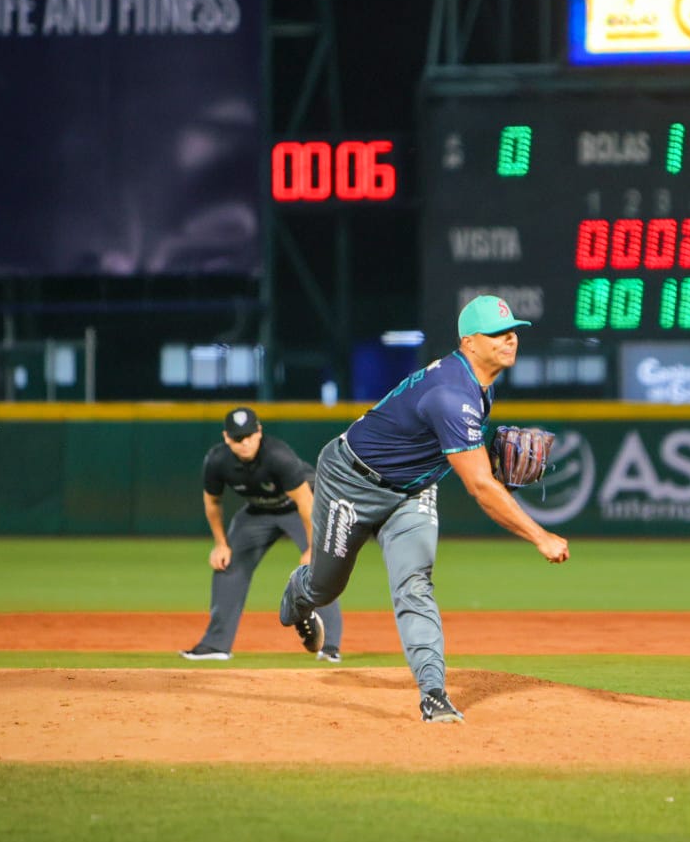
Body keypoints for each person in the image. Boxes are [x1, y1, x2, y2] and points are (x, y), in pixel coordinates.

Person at [278, 294, 570, 723]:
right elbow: (479, 487)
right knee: (326, 587)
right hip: (350, 481)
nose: (509, 339)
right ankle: (299, 594)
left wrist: (488, 460)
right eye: (497, 333)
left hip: (413, 492)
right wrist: (540, 536)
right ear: (469, 342)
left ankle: (433, 694)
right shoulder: (453, 394)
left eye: (512, 331)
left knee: (414, 585)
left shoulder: (477, 383)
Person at [180, 406, 344, 662]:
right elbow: (212, 503)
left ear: (259, 432)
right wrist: (220, 544)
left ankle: (329, 646)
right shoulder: (217, 461)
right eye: (237, 438)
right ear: (226, 438)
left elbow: (306, 503)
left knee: (318, 566)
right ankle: (216, 645)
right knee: (227, 563)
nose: (244, 443)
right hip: (258, 511)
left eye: (249, 435)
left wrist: (313, 548)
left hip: (303, 507)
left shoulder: (278, 455)